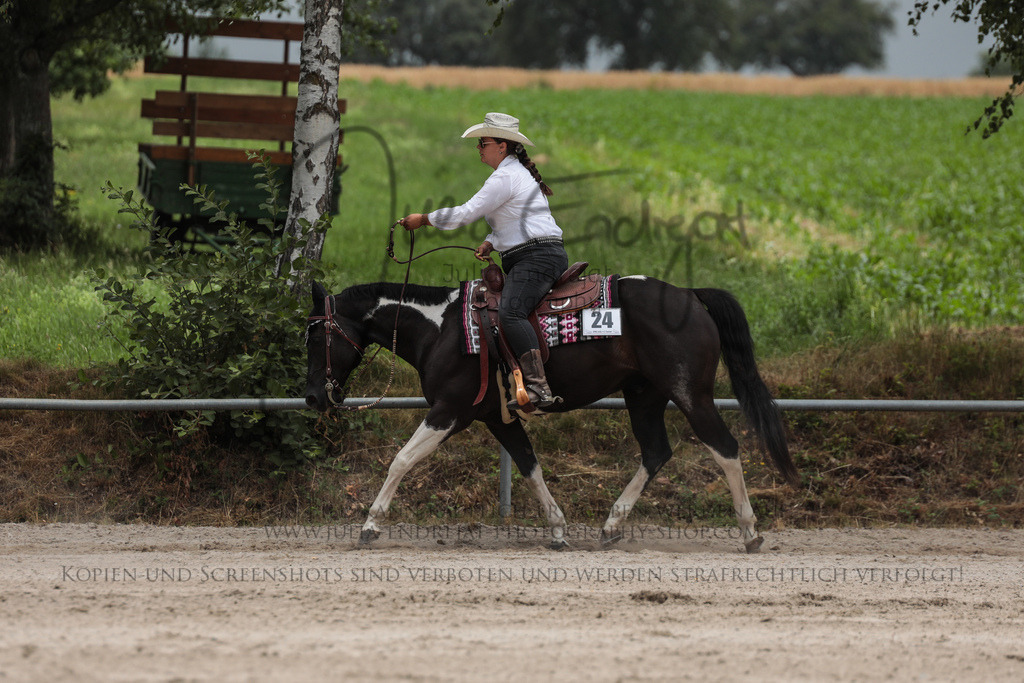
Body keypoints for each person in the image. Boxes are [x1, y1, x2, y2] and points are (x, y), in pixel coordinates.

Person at [400, 112, 568, 409]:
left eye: (483, 142)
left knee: (511, 312)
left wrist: (424, 219)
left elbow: (466, 212)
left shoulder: (505, 176)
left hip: (536, 258)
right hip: (537, 254)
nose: (479, 148)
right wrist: (494, 240)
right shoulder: (515, 174)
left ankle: (539, 387)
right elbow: (523, 219)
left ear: (502, 146)